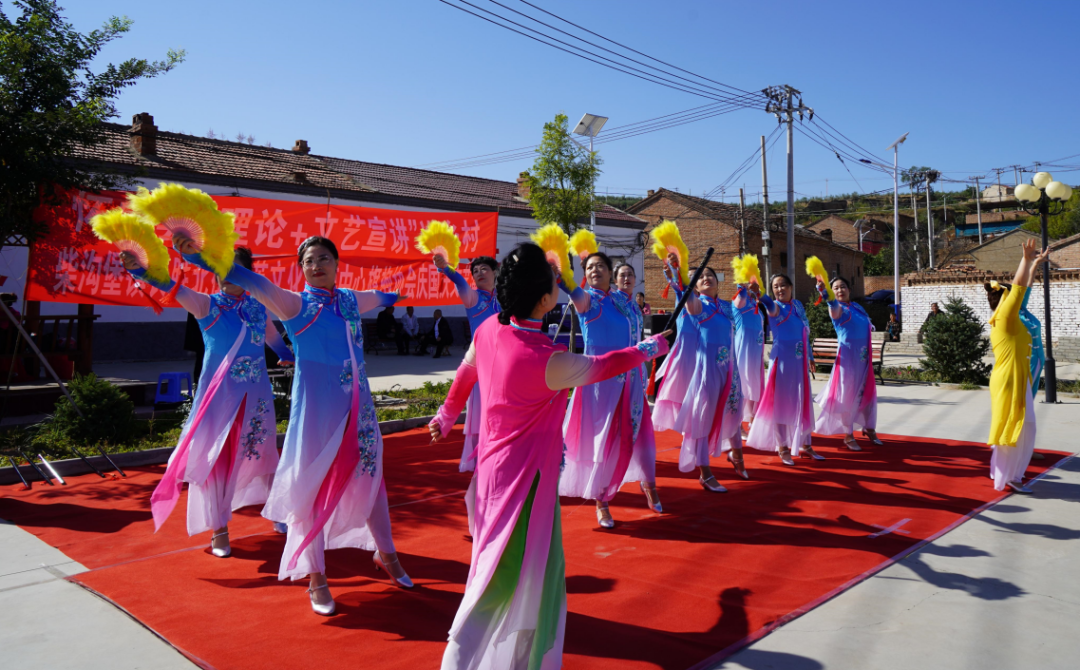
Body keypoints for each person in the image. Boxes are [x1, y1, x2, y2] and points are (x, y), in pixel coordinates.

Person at [429, 242, 669, 669]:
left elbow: (465, 371)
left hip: (493, 476)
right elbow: (603, 365)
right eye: (554, 282)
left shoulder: (489, 332)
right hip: (526, 486)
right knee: (498, 585)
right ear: (544, 298)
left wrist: (446, 415)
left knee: (518, 579)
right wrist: (649, 348)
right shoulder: (546, 358)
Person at [173, 233, 412, 616]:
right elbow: (251, 281)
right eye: (309, 261)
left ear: (337, 262)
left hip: (359, 410)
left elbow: (380, 296)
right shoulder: (294, 304)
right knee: (310, 492)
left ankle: (388, 556)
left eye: (324, 259)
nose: (317, 266)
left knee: (371, 480)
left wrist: (393, 297)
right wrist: (201, 257)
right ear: (300, 269)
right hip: (316, 415)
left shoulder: (350, 300)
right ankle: (316, 577)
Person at [121, 248, 293, 557]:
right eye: (220, 268)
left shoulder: (258, 307)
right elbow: (172, 286)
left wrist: (287, 354)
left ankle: (278, 511)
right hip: (219, 403)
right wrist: (141, 271)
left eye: (235, 269)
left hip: (255, 401)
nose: (226, 275)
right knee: (216, 462)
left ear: (249, 275)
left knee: (264, 454)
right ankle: (219, 529)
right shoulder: (206, 305)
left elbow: (273, 338)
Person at [560, 251, 663, 527]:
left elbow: (634, 337)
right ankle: (601, 501)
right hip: (600, 381)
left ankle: (649, 483)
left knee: (641, 434)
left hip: (631, 378)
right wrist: (560, 268)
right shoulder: (586, 299)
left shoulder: (624, 301)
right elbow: (569, 287)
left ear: (609, 271)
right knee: (603, 440)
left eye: (600, 266)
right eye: (590, 267)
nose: (596, 270)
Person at [432, 254, 500, 535]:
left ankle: (492, 507)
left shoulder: (504, 301)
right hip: (483, 379)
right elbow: (460, 283)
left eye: (485, 269)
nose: (479, 272)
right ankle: (479, 511)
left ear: (497, 272)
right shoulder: (475, 300)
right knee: (488, 445)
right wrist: (446, 268)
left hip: (508, 377)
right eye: (476, 270)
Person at [670, 265, 745, 490]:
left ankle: (738, 456)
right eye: (700, 277)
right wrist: (680, 275)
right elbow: (687, 299)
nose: (706, 279)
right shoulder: (697, 305)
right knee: (703, 418)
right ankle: (705, 472)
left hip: (731, 368)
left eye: (709, 275)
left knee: (734, 410)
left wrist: (747, 288)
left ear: (717, 280)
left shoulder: (727, 307)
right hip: (707, 369)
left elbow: (746, 308)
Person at [985, 239, 1050, 493]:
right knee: (1014, 427)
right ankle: (1009, 477)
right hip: (1010, 379)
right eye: (1011, 295)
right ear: (1006, 300)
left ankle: (1006, 473)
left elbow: (1022, 289)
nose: (1016, 297)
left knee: (1023, 426)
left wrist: (1033, 263)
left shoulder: (1009, 318)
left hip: (1018, 377)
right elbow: (1020, 286)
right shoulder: (1005, 317)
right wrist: (1025, 259)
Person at [745, 274, 824, 465]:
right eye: (775, 287)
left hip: (799, 362)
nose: (780, 289)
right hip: (782, 362)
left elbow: (805, 331)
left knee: (803, 402)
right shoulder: (774, 306)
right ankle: (783, 447)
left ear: (791, 286)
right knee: (781, 404)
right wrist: (759, 292)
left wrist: (810, 356)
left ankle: (806, 445)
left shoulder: (797, 305)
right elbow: (766, 303)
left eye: (783, 286)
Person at [813, 276, 883, 451]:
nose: (839, 290)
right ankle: (848, 434)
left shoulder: (857, 307)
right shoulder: (837, 309)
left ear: (849, 289)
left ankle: (869, 428)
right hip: (847, 360)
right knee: (847, 396)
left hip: (864, 359)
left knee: (868, 394)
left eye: (842, 287)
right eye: (835, 288)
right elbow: (832, 305)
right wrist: (825, 293)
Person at [732, 277, 765, 449]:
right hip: (744, 349)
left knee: (756, 386)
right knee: (743, 386)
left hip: (757, 350)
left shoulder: (755, 304)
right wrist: (742, 286)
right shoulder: (739, 301)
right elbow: (739, 301)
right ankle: (737, 426)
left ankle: (753, 422)